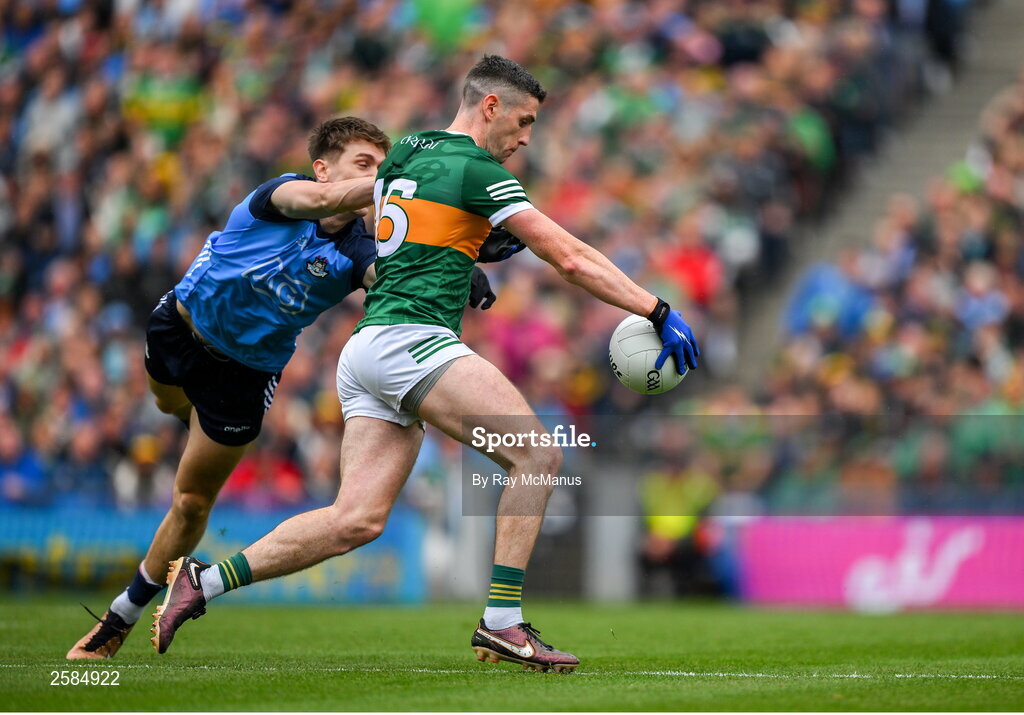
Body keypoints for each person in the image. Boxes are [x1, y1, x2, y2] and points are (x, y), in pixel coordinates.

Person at [151, 56, 699, 673]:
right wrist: (655, 308)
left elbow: (404, 234)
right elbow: (567, 257)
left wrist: (466, 254)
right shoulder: (476, 167)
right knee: (538, 455)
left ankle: (204, 581)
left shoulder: (408, 148)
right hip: (414, 339)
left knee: (355, 520)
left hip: (366, 350)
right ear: (489, 106)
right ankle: (502, 623)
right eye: (523, 122)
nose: (525, 139)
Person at [66, 116, 502, 659]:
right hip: (179, 330)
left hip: (244, 378)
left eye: (383, 167)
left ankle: (118, 618)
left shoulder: (361, 251)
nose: (379, 177)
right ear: (322, 168)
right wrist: (409, 183)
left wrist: (458, 269)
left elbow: (387, 274)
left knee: (193, 501)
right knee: (165, 402)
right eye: (366, 165)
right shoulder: (279, 196)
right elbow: (321, 202)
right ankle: (184, 419)